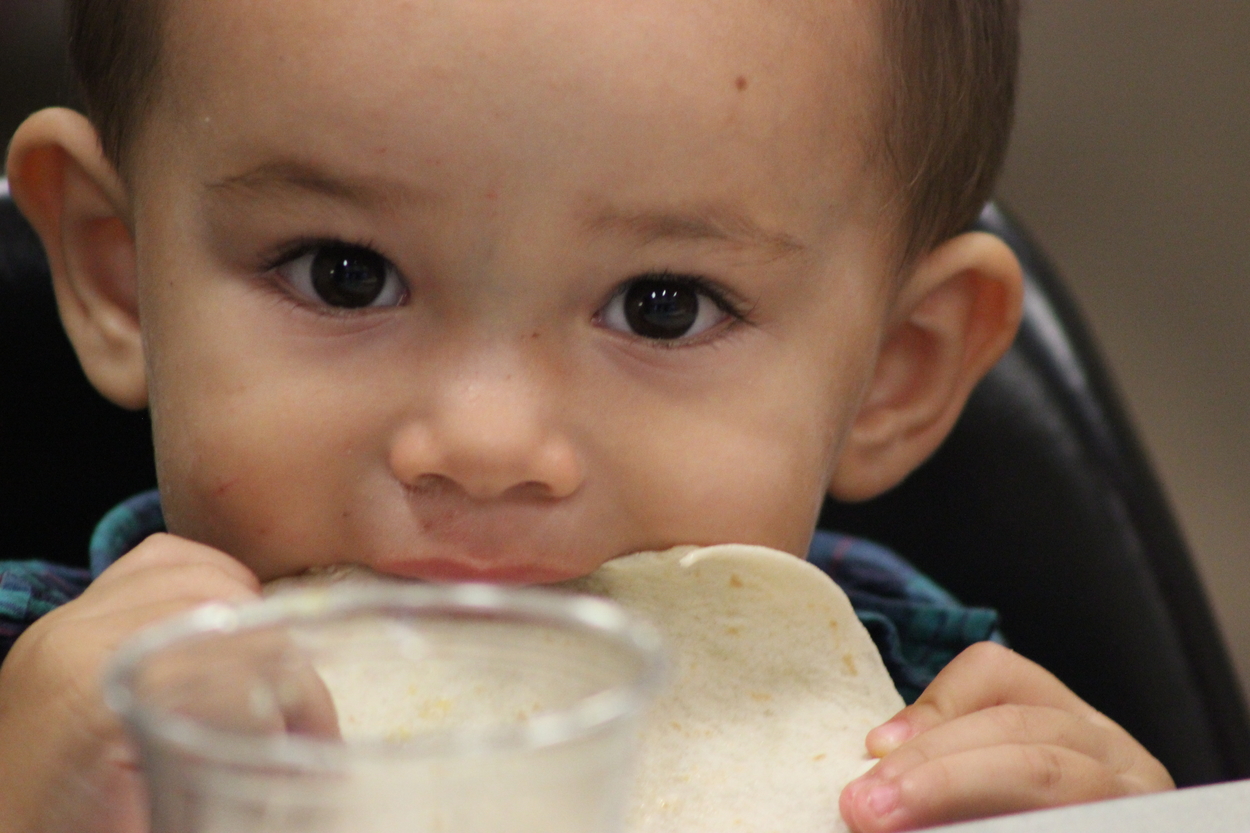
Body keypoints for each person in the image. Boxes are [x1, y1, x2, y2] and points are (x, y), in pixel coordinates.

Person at [0, 0, 1174, 830]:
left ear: (891, 372)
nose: (486, 444)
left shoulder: (927, 726)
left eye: (662, 308)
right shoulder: (41, 728)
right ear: (122, 276)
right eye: (341, 272)